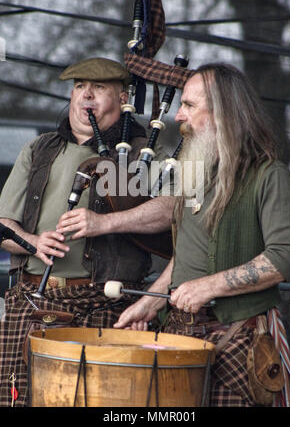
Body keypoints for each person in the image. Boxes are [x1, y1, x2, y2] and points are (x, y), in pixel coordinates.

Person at [113, 62, 290, 407]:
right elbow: (186, 254)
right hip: (181, 335)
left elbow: (287, 256)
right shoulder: (196, 176)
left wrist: (210, 286)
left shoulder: (270, 175)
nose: (179, 117)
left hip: (240, 338)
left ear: (224, 114)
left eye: (189, 105)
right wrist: (150, 301)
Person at [0, 57, 174, 407]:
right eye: (80, 87)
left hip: (106, 305)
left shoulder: (142, 154)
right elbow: (3, 225)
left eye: (98, 88)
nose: (86, 96)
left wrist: (105, 223)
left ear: (123, 98)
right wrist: (32, 243)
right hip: (34, 302)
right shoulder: (39, 150)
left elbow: (174, 211)